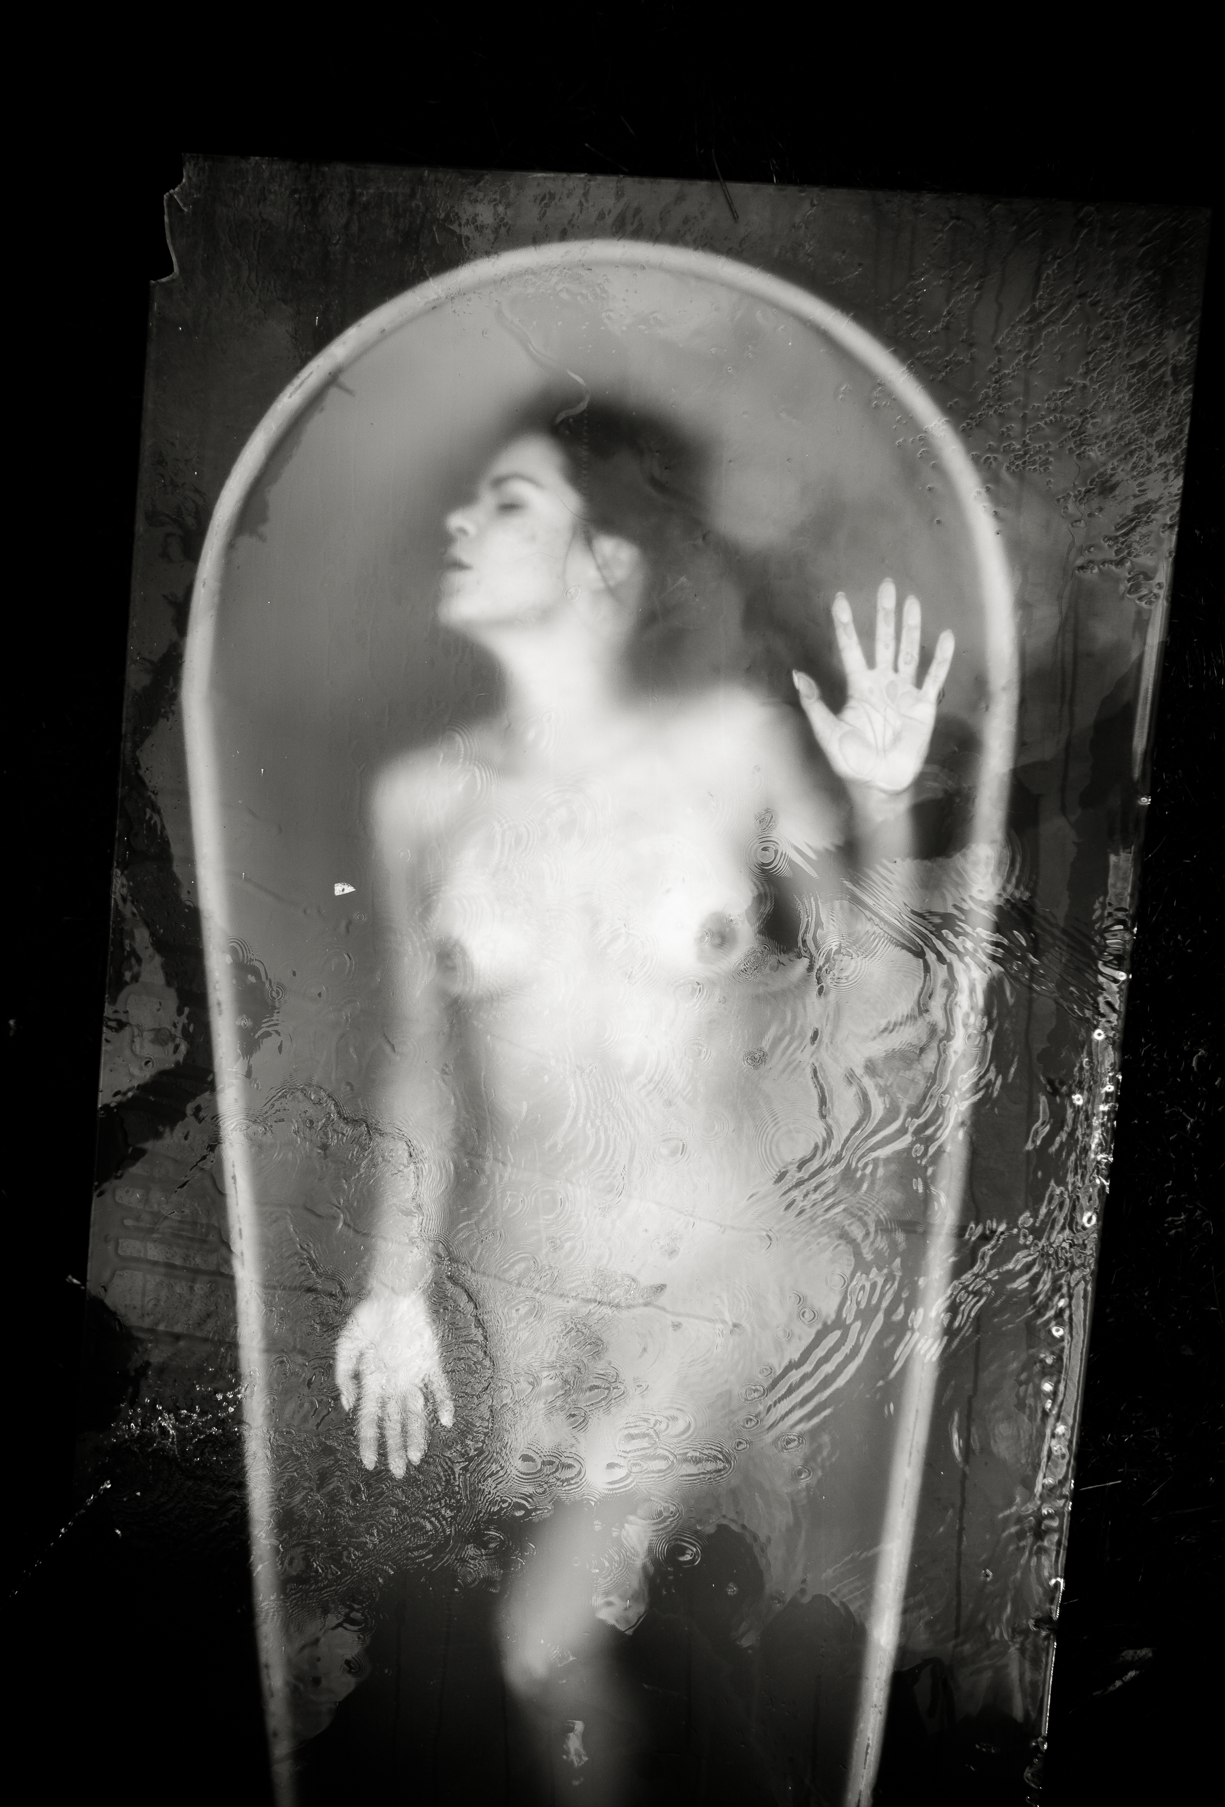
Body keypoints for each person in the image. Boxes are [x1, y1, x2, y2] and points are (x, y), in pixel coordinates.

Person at [331, 387, 955, 1735]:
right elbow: (417, 1060)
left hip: (705, 1276)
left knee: (569, 1636)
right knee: (516, 1635)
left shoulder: (730, 749)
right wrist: (395, 1287)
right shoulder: (419, 797)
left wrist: (886, 797)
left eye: (507, 503)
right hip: (515, 1285)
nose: (460, 522)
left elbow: (873, 985)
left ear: (605, 560)